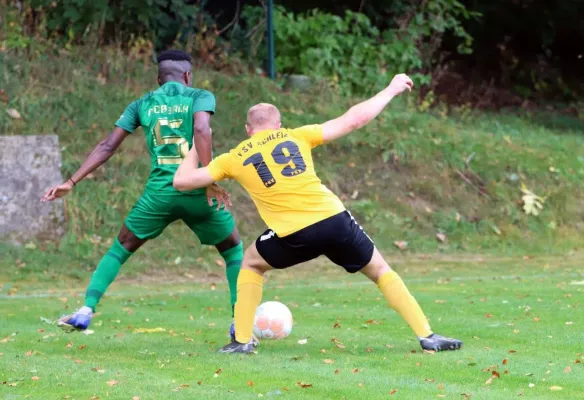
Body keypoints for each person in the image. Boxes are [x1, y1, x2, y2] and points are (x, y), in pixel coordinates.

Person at [173, 73, 463, 354]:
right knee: (381, 271)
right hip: (335, 221)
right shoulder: (298, 135)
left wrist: (199, 145)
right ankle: (427, 335)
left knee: (250, 263)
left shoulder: (234, 157)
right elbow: (354, 119)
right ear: (279, 126)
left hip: (293, 235)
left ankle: (243, 341)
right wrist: (391, 89)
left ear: (248, 130)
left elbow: (182, 182)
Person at [41, 50, 243, 339]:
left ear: (159, 79)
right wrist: (208, 177)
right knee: (233, 249)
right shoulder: (200, 96)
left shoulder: (142, 103)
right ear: (188, 76)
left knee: (121, 247)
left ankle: (85, 310)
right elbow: (202, 128)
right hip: (197, 191)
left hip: (160, 193)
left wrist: (72, 181)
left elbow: (107, 146)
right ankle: (240, 322)